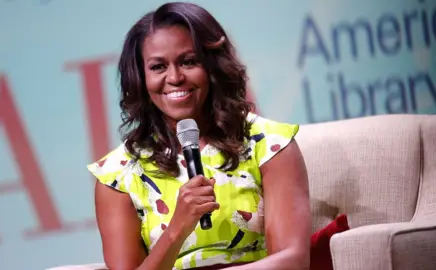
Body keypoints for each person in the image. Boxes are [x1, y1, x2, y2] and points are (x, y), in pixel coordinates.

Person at [88, 2, 311, 270]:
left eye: (189, 61)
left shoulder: (269, 144)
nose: (175, 77)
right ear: (140, 78)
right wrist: (177, 228)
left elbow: (293, 260)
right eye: (158, 67)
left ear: (213, 66)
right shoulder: (118, 176)